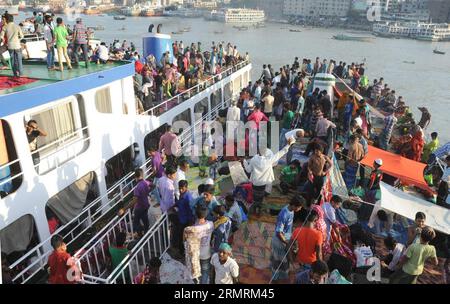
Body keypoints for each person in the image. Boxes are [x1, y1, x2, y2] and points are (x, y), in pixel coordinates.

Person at [244, 137, 296, 215]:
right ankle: (259, 208)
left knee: (255, 198)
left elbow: (248, 170)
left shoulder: (253, 160)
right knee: (261, 197)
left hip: (255, 184)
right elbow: (281, 153)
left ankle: (255, 207)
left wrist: (244, 162)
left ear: (258, 150)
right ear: (266, 150)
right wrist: (288, 145)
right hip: (263, 184)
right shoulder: (269, 160)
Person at [270, 196, 304, 282]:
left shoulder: (291, 211)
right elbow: (279, 232)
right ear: (294, 206)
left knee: (284, 260)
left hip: (286, 238)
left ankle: (282, 275)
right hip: (280, 241)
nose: (300, 209)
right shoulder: (284, 214)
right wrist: (286, 242)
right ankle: (275, 279)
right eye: (299, 207)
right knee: (278, 262)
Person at [119, 169, 150, 236]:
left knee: (135, 223)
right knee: (145, 219)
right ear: (142, 175)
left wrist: (124, 209)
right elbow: (153, 185)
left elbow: (134, 201)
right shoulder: (146, 182)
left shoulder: (137, 187)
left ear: (135, 177)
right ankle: (146, 232)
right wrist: (146, 193)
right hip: (146, 204)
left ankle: (141, 235)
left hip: (139, 207)